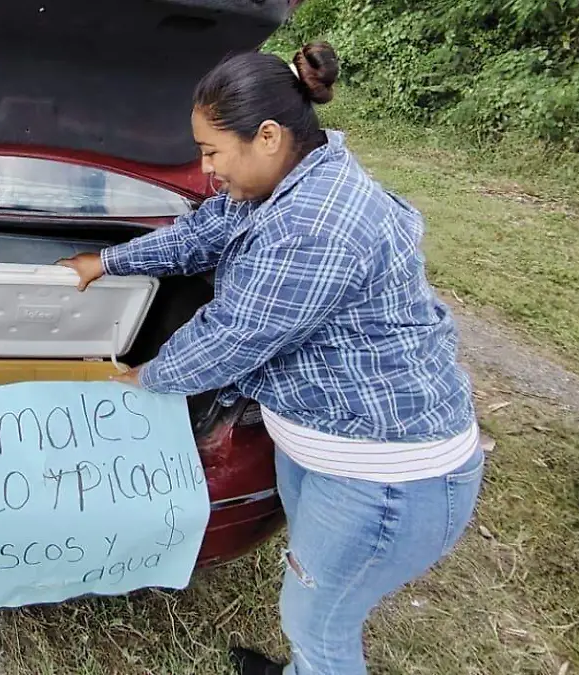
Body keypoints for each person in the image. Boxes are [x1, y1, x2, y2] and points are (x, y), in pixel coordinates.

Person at [59, 42, 484, 675]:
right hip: (328, 446)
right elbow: (205, 232)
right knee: (310, 589)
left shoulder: (316, 222)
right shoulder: (282, 179)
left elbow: (230, 339)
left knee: (320, 626)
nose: (206, 171)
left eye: (211, 153)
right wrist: (108, 260)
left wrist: (139, 378)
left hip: (386, 478)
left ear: (266, 135)